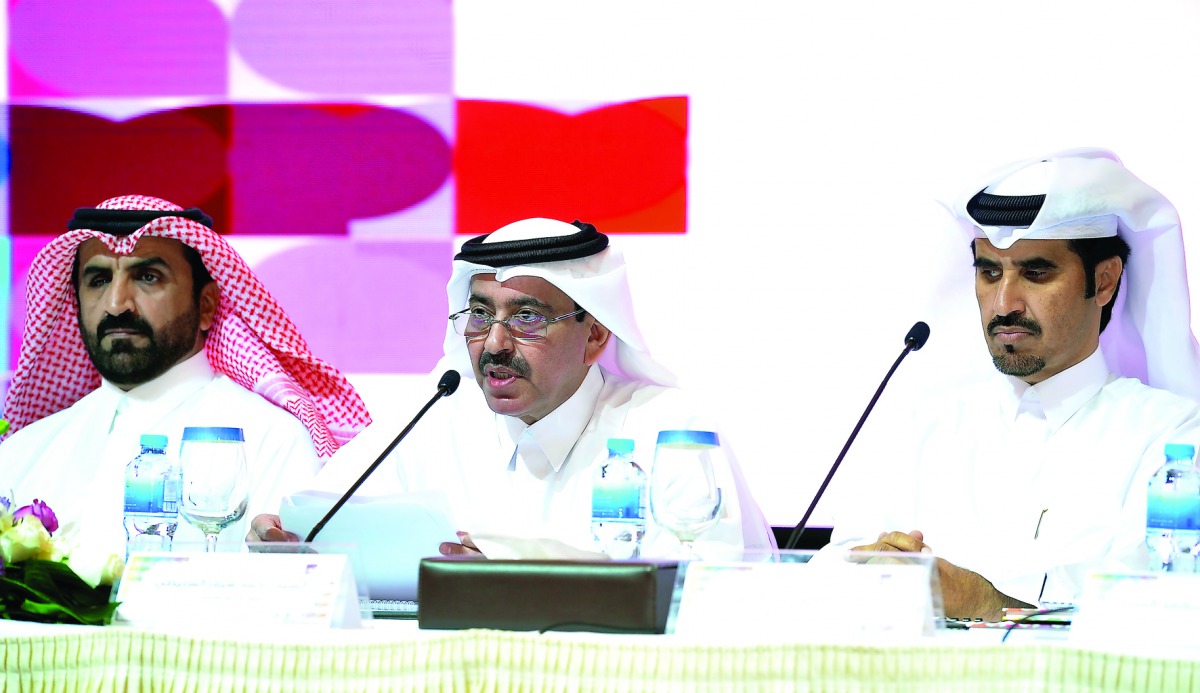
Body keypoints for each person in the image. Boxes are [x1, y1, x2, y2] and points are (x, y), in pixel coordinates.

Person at [251, 218, 774, 557]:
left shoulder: (671, 431)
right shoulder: (435, 415)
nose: (495, 344)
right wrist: (287, 538)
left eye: (527, 317)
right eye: (479, 315)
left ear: (594, 335)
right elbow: (324, 515)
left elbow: (709, 589)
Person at [825, 149, 1200, 620]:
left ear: (1104, 282)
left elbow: (1155, 605)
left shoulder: (1174, 441)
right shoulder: (924, 429)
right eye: (989, 272)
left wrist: (985, 601)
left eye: (1036, 272)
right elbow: (833, 567)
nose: (1004, 303)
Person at [0, 195, 371, 553]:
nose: (116, 304)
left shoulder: (271, 442)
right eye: (98, 280)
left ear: (206, 304)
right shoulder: (24, 453)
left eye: (147, 276)